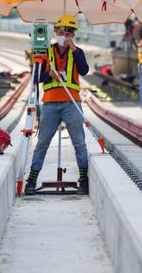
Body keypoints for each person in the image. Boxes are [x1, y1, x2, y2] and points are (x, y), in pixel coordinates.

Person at [25, 14, 90, 196]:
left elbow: (84, 70)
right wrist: (49, 75)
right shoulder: (45, 52)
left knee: (79, 143)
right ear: (55, 32)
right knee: (42, 143)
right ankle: (31, 180)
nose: (65, 35)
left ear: (73, 35)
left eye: (69, 32)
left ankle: (83, 179)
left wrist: (74, 49)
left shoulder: (77, 52)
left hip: (72, 103)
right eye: (62, 31)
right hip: (50, 105)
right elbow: (35, 77)